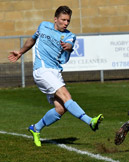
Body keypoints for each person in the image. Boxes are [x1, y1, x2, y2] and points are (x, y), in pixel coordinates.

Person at [8, 6, 104, 147]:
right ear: (55, 19)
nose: (66, 23)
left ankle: (36, 128)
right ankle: (90, 121)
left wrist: (68, 47)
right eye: (63, 20)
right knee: (66, 96)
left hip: (55, 72)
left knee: (61, 108)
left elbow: (70, 45)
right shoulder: (43, 26)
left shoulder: (70, 36)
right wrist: (21, 52)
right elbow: (33, 39)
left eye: (68, 21)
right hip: (42, 70)